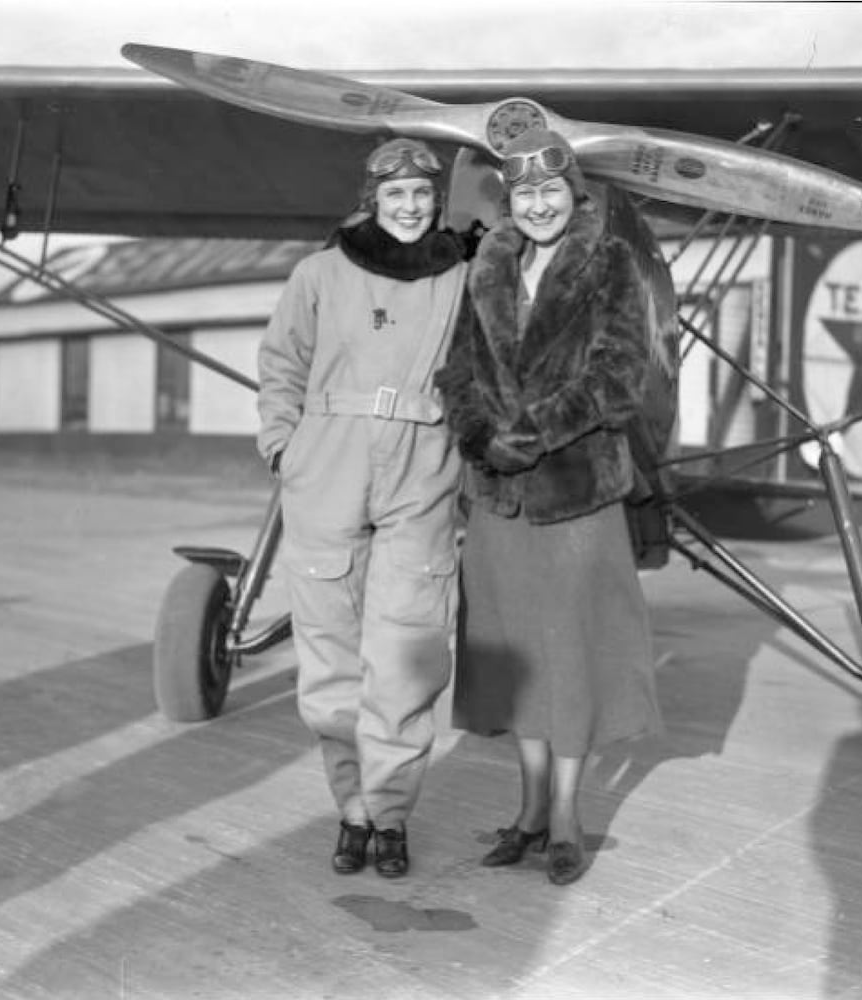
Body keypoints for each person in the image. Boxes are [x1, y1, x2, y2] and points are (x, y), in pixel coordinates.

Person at [436, 129, 674, 887]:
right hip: (499, 497)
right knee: (515, 657)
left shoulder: (608, 263)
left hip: (575, 496)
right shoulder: (489, 266)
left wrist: (531, 435)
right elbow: (459, 374)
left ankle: (567, 816)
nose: (538, 205)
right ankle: (529, 808)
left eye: (552, 191)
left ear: (575, 195)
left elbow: (620, 377)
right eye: (524, 194)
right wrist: (481, 439)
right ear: (510, 201)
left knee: (570, 653)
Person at [256, 138, 469, 879]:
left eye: (421, 193)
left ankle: (392, 816)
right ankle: (352, 809)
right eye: (394, 194)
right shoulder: (318, 273)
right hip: (328, 466)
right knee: (330, 656)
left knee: (406, 655)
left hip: (422, 468)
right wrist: (285, 446)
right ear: (371, 199)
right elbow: (281, 363)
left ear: (437, 200)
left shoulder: (464, 277)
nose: (408, 207)